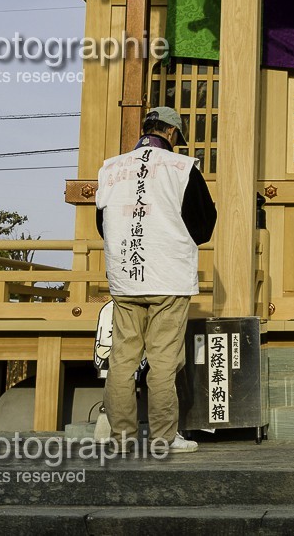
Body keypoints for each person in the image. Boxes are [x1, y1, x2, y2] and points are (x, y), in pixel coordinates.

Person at [94, 105, 217, 455]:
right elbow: (203, 227)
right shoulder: (182, 168)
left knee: (122, 360)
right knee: (164, 361)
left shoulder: (111, 168)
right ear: (173, 133)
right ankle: (163, 438)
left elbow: (101, 226)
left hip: (125, 278)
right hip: (168, 278)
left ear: (145, 129)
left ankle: (121, 439)